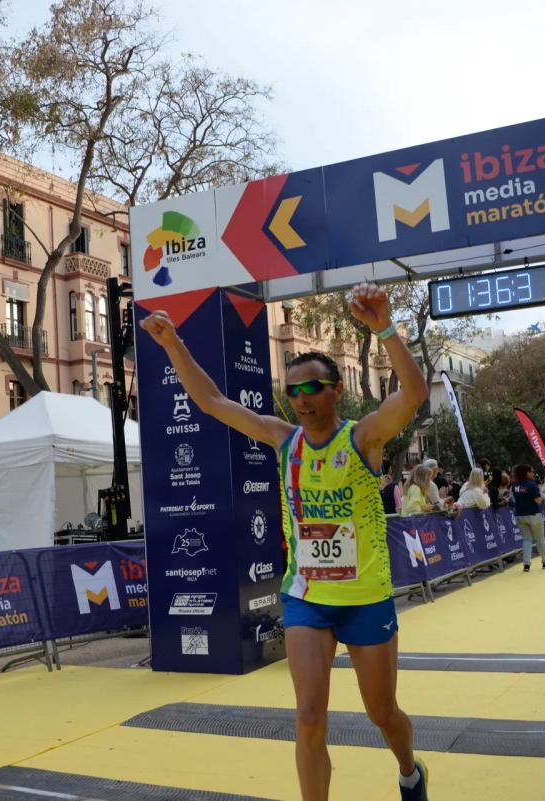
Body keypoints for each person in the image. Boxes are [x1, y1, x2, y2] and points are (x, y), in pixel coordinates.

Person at [140, 282, 430, 801]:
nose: (302, 399)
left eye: (313, 387)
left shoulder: (363, 438)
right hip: (306, 598)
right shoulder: (283, 439)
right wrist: (172, 344)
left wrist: (385, 328)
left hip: (365, 599)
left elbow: (413, 395)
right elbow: (211, 401)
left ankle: (409, 771)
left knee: (382, 713)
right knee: (309, 718)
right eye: (293, 391)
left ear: (336, 391)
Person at [512, 464, 545, 572]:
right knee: (540, 539)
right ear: (527, 473)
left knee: (526, 540)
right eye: (531, 471)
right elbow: (538, 500)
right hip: (533, 514)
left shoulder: (515, 485)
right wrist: (540, 491)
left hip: (519, 515)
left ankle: (526, 564)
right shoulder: (532, 484)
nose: (533, 473)